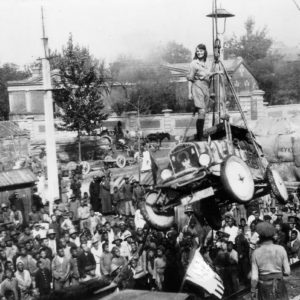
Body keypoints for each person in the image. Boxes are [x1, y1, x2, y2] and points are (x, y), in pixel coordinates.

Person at [187, 43, 221, 141]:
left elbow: (209, 74)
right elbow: (190, 78)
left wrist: (217, 72)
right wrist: (189, 93)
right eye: (197, 51)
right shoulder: (194, 63)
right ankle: (200, 136)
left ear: (205, 51)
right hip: (197, 86)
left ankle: (200, 134)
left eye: (201, 51)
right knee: (201, 111)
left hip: (206, 88)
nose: (199, 53)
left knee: (203, 113)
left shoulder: (209, 63)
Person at [251, 222, 290, 300]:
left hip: (264, 287)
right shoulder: (281, 249)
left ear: (260, 237)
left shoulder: (256, 252)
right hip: (279, 284)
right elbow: (287, 271)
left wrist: (252, 290)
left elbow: (255, 277)